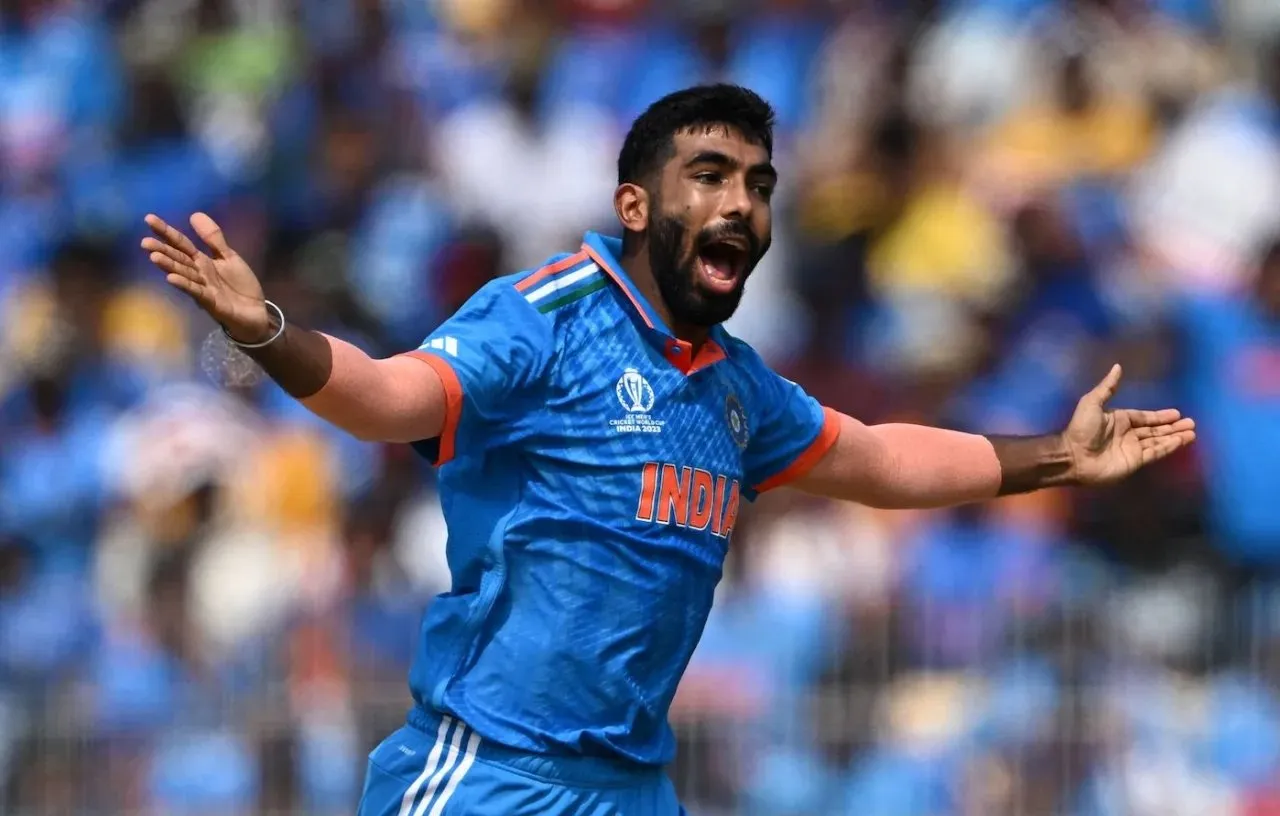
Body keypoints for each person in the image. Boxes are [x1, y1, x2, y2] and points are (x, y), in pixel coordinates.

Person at [140, 84, 1196, 816]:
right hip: (489, 775)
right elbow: (384, 398)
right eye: (708, 174)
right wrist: (264, 327)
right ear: (636, 206)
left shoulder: (734, 387)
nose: (739, 201)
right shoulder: (544, 317)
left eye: (756, 182)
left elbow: (877, 460)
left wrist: (1054, 457)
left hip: (629, 787)